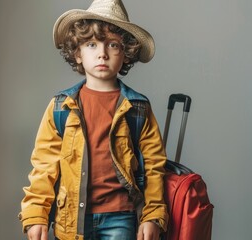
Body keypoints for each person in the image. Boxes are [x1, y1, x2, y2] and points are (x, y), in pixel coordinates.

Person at [19, 0, 168, 239]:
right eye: (91, 44)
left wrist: (152, 215)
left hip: (122, 216)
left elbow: (154, 166)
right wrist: (37, 214)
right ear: (77, 53)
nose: (102, 53)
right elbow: (44, 166)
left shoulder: (137, 108)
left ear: (126, 54)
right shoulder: (61, 107)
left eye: (112, 44)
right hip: (71, 217)